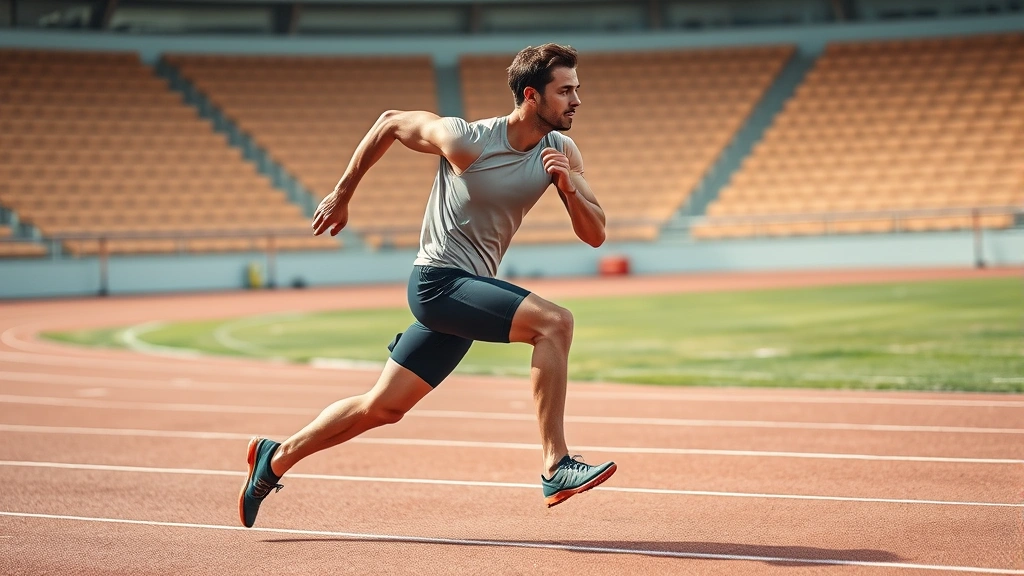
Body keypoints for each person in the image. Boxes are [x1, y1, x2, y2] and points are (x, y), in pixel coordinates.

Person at [239, 43, 615, 528]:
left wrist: (567, 189)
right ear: (531, 95)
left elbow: (596, 234)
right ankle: (556, 463)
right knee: (554, 324)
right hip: (437, 283)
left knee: (382, 407)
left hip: (467, 296)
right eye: (565, 91)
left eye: (577, 89)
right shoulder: (467, 140)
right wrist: (342, 194)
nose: (576, 100)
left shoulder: (561, 152)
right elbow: (391, 121)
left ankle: (275, 458)